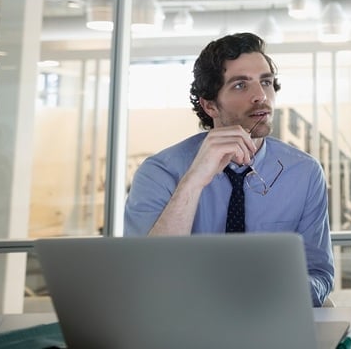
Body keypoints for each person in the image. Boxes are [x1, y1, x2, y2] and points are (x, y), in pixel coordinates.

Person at [124, 32, 334, 307]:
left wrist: (282, 289)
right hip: (185, 320)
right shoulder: (159, 172)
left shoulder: (304, 173)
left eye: (266, 82)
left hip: (271, 316)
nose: (260, 96)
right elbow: (145, 278)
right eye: (240, 86)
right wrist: (194, 180)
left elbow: (319, 275)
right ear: (210, 104)